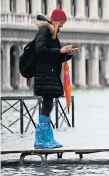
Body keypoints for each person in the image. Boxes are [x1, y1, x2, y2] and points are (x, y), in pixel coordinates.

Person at [33, 9, 78, 149]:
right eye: (62, 22)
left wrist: (67, 54)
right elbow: (40, 52)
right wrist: (60, 51)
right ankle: (41, 140)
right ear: (56, 20)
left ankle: (46, 138)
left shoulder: (52, 34)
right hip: (45, 75)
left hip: (50, 75)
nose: (63, 26)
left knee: (48, 105)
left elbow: (54, 56)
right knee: (47, 105)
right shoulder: (44, 32)